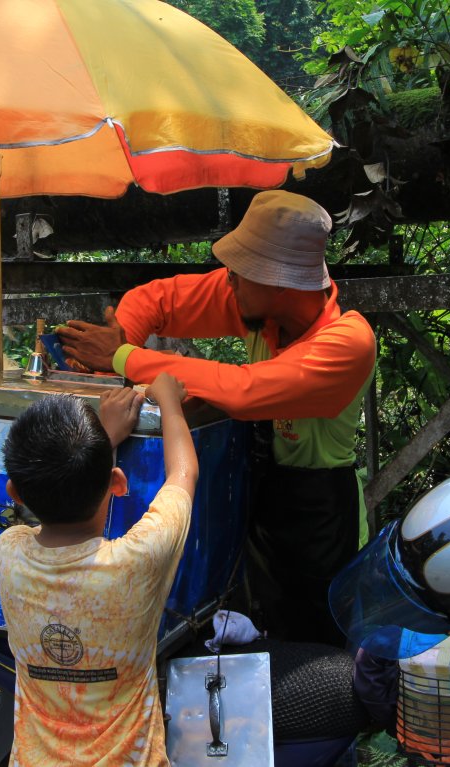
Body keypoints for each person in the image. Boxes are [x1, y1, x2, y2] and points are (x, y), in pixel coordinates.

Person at [57, 189, 376, 647]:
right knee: (255, 635)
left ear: (279, 281)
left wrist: (124, 356)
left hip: (320, 515)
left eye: (241, 272)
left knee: (317, 646)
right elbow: (157, 299)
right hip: (262, 495)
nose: (228, 280)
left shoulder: (348, 342)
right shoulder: (257, 302)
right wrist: (116, 345)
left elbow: (244, 390)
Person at [0, 374, 198, 767]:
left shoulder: (10, 552)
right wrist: (169, 399)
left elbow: (54, 509)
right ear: (117, 483)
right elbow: (183, 475)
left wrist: (103, 439)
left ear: (14, 493)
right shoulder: (138, 561)